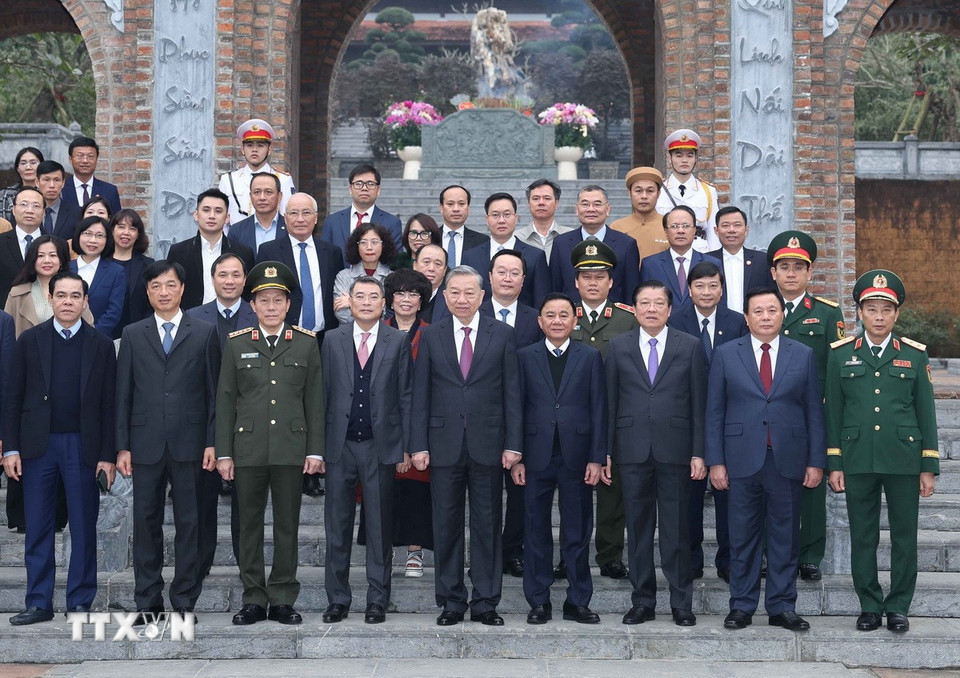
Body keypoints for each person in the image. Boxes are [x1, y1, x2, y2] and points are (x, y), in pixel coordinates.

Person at [706, 287, 826, 632]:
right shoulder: (726, 354)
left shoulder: (802, 354)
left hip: (788, 459)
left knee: (785, 538)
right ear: (746, 318)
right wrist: (716, 462)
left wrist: (816, 461)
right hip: (740, 460)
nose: (765, 317)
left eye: (772, 310)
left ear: (782, 315)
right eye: (757, 311)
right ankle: (741, 606)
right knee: (742, 537)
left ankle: (782, 606)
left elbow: (813, 412)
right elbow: (714, 411)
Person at [826, 270, 938, 634]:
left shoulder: (914, 355)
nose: (878, 316)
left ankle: (899, 606)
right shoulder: (841, 354)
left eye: (886, 310)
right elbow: (834, 411)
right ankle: (870, 605)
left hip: (904, 459)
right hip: (857, 457)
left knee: (905, 536)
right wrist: (834, 462)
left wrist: (928, 465)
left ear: (896, 314)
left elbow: (926, 412)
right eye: (871, 309)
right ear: (859, 313)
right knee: (863, 535)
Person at [410, 265, 521, 627]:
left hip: (489, 444)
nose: (462, 299)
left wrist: (514, 444)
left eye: (469, 293)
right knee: (446, 526)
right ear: (444, 297)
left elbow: (512, 392)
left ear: (481, 296)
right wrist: (418, 444)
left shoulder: (502, 334)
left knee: (488, 526)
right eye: (454, 293)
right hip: (442, 444)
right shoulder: (431, 335)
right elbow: (420, 393)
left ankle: (486, 601)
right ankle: (451, 600)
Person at [3, 272, 116, 626]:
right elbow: (12, 397)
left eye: (75, 295)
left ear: (85, 301)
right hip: (38, 448)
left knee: (82, 528)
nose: (68, 301)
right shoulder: (29, 340)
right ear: (50, 299)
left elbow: (109, 405)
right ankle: (38, 602)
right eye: (61, 295)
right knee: (38, 526)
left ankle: (79, 602)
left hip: (83, 447)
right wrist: (11, 448)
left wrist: (108, 455)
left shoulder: (101, 344)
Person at [216, 261, 323, 626]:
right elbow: (225, 400)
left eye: (278, 300)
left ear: (288, 304)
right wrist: (224, 452)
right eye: (264, 300)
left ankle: (281, 598)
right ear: (253, 305)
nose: (272, 307)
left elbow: (315, 400)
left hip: (291, 448)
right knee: (248, 526)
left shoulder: (306, 343)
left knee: (286, 526)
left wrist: (315, 449)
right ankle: (253, 597)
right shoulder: (237, 344)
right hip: (247, 449)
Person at [115, 260, 220, 623]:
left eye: (170, 285)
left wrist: (212, 441)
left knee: (190, 522)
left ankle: (185, 597)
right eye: (156, 286)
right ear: (148, 293)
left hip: (191, 442)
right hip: (144, 443)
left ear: (182, 289)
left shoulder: (204, 332)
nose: (164, 292)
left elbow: (214, 394)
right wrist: (122, 445)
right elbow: (123, 394)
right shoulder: (132, 334)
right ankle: (147, 599)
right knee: (146, 522)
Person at [607, 280, 707, 627]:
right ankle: (643, 601)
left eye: (658, 303)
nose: (651, 309)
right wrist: (606, 452)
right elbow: (609, 402)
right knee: (637, 529)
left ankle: (681, 602)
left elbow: (699, 403)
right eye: (644, 303)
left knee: (676, 530)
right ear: (634, 309)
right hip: (631, 450)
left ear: (669, 309)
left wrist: (699, 452)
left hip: (676, 450)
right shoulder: (618, 346)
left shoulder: (690, 345)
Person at [511, 293, 607, 625]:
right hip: (534, 456)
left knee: (577, 531)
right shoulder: (524, 357)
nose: (556, 320)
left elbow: (599, 408)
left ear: (574, 320)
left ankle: (577, 601)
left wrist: (596, 458)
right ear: (540, 322)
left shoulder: (590, 357)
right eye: (550, 315)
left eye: (563, 314)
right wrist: (516, 455)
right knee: (535, 530)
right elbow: (515, 407)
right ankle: (538, 600)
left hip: (576, 458)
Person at [321, 276, 413, 625]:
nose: (366, 302)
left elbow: (406, 395)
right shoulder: (332, 339)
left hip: (379, 444)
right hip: (339, 444)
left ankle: (377, 599)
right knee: (337, 526)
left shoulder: (397, 340)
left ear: (383, 303)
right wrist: (317, 448)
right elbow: (322, 393)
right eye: (359, 296)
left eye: (373, 296)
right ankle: (337, 599)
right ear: (350, 301)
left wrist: (405, 447)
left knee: (379, 526)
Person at [552, 240, 637, 582]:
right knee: (571, 492)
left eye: (599, 276)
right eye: (585, 276)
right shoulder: (561, 316)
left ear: (611, 281)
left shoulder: (627, 319)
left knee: (612, 489)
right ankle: (568, 556)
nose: (592, 282)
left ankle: (610, 554)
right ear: (575, 281)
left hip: (614, 416)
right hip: (571, 419)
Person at [767, 230, 844, 581]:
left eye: (799, 267)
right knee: (769, 484)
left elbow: (836, 371)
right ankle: (769, 551)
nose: (791, 274)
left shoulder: (827, 314)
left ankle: (810, 555)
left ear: (810, 272)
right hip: (770, 416)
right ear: (773, 272)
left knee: (812, 486)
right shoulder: (760, 310)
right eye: (784, 267)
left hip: (812, 415)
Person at [257, 193, 342, 497]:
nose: (300, 219)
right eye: (294, 213)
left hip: (324, 338)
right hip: (287, 338)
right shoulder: (269, 250)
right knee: (290, 403)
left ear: (316, 218)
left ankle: (314, 470)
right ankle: (290, 467)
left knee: (319, 403)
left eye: (307, 212)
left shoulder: (331, 252)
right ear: (285, 218)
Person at [668, 261, 748, 584]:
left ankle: (728, 560)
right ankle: (691, 559)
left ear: (722, 289)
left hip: (728, 421)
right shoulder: (675, 320)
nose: (706, 292)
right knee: (689, 496)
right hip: (686, 420)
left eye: (713, 285)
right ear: (689, 289)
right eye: (699, 286)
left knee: (728, 495)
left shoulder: (737, 322)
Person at [186, 252, 258, 569]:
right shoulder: (192, 316)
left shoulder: (260, 315)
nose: (229, 281)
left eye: (236, 275)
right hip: (202, 423)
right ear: (212, 278)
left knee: (247, 504)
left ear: (245, 280)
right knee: (202, 503)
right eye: (223, 275)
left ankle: (248, 571)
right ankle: (199, 568)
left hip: (247, 421)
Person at [479, 249, 542, 579]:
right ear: (489, 278)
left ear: (523, 280)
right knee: (484, 494)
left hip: (525, 416)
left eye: (514, 273)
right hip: (481, 418)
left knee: (520, 492)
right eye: (501, 272)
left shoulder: (536, 318)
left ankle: (513, 551)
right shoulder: (473, 313)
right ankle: (486, 553)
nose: (507, 278)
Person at [375, 268, 434, 576]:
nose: (406, 299)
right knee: (382, 492)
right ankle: (381, 552)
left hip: (420, 420)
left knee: (415, 490)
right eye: (400, 293)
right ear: (390, 299)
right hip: (383, 422)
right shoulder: (377, 331)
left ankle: (415, 550)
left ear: (422, 299)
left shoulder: (432, 334)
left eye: (413, 293)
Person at [549, 185, 640, 306]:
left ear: (607, 209)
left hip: (613, 315)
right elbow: (555, 288)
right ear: (577, 209)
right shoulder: (561, 243)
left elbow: (631, 291)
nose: (591, 209)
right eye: (585, 204)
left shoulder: (627, 244)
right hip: (572, 314)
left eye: (597, 204)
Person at [166, 188, 255, 311]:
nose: (212, 216)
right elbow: (172, 289)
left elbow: (248, 292)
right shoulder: (179, 252)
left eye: (218, 211)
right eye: (206, 210)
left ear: (227, 217)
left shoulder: (243, 252)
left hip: (232, 317)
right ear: (196, 215)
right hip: (189, 317)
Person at [462, 192, 551, 309]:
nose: (501, 220)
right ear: (487, 220)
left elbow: (541, 300)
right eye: (495, 215)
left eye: (507, 214)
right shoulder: (470, 256)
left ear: (516, 218)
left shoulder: (535, 256)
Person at [5, 235, 94, 336]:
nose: (47, 260)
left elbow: (89, 330)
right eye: (40, 256)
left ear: (61, 260)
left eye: (52, 255)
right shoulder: (17, 294)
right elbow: (5, 332)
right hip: (27, 346)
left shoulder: (76, 289)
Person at [218, 119, 296, 226]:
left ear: (269, 149)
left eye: (260, 145)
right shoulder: (228, 180)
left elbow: (289, 217)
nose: (254, 149)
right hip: (235, 235)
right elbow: (221, 219)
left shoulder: (283, 180)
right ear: (242, 149)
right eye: (249, 145)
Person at [639, 206, 720, 307]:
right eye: (674, 226)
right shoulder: (650, 265)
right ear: (666, 232)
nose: (680, 231)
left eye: (686, 226)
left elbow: (719, 300)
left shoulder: (712, 263)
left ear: (694, 230)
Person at [655, 129, 721, 251]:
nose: (684, 160)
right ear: (670, 158)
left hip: (700, 251)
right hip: (666, 250)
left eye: (690, 155)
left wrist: (714, 259)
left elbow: (713, 231)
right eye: (679, 155)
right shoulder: (658, 190)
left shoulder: (707, 191)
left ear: (696, 159)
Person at [321, 164, 402, 260]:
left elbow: (395, 260)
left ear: (378, 190)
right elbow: (325, 257)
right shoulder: (332, 222)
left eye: (370, 184)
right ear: (350, 189)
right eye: (359, 184)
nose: (364, 188)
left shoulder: (392, 223)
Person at [707, 206, 773, 314]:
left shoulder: (763, 261)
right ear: (716, 230)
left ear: (746, 230)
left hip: (754, 322)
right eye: (725, 225)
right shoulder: (706, 261)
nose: (731, 230)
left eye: (737, 225)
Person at [69, 216, 126, 339]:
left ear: (107, 240)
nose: (93, 240)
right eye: (88, 234)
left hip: (100, 339)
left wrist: (93, 335)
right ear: (78, 236)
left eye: (99, 235)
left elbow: (113, 312)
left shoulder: (116, 272)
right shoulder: (65, 268)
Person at [332, 222, 396, 325]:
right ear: (356, 246)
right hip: (349, 333)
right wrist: (377, 308)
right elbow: (341, 313)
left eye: (374, 242)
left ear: (383, 245)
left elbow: (392, 314)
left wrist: (352, 303)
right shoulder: (344, 276)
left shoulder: (393, 278)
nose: (369, 247)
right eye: (363, 242)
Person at [109, 209, 154, 333]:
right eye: (121, 227)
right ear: (112, 230)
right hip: (104, 333)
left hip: (138, 332)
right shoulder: (100, 262)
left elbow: (152, 303)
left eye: (132, 229)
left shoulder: (148, 265)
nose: (126, 233)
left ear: (138, 234)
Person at [0, 188, 47, 307]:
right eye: (24, 204)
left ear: (44, 212)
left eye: (36, 206)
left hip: (45, 311)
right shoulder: (1, 242)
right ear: (13, 210)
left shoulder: (56, 244)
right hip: (6, 311)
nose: (29, 210)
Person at [611, 166, 669, 260]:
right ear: (630, 193)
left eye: (650, 191)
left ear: (658, 194)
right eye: (638, 191)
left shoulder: (669, 226)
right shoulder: (617, 227)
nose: (644, 196)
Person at [227, 173, 287, 255]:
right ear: (250, 196)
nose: (262, 197)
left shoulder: (290, 228)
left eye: (268, 192)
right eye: (257, 192)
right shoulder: (237, 231)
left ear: (279, 196)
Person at [514, 179, 573, 262]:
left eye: (547, 198)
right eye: (535, 198)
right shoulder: (516, 238)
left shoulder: (571, 236)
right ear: (529, 204)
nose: (541, 202)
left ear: (556, 204)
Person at [61, 136, 121, 214]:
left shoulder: (110, 191)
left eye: (90, 156)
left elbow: (116, 219)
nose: (85, 160)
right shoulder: (61, 188)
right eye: (80, 156)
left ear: (96, 159)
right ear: (70, 159)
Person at [438, 185, 488, 269]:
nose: (456, 209)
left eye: (461, 204)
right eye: (450, 204)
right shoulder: (431, 238)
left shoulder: (482, 241)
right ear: (441, 208)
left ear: (468, 208)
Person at [35, 161, 80, 240]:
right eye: (46, 180)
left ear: (63, 183)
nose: (52, 185)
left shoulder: (77, 212)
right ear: (37, 182)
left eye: (56, 180)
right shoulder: (28, 211)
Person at [0, 148, 44, 223]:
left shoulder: (48, 193)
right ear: (17, 168)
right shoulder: (4, 195)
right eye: (23, 163)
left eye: (33, 163)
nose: (28, 167)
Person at [412, 243, 449, 324]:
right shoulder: (400, 294)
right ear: (415, 265)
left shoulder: (450, 299)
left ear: (445, 270)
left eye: (438, 264)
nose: (431, 268)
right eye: (426, 262)